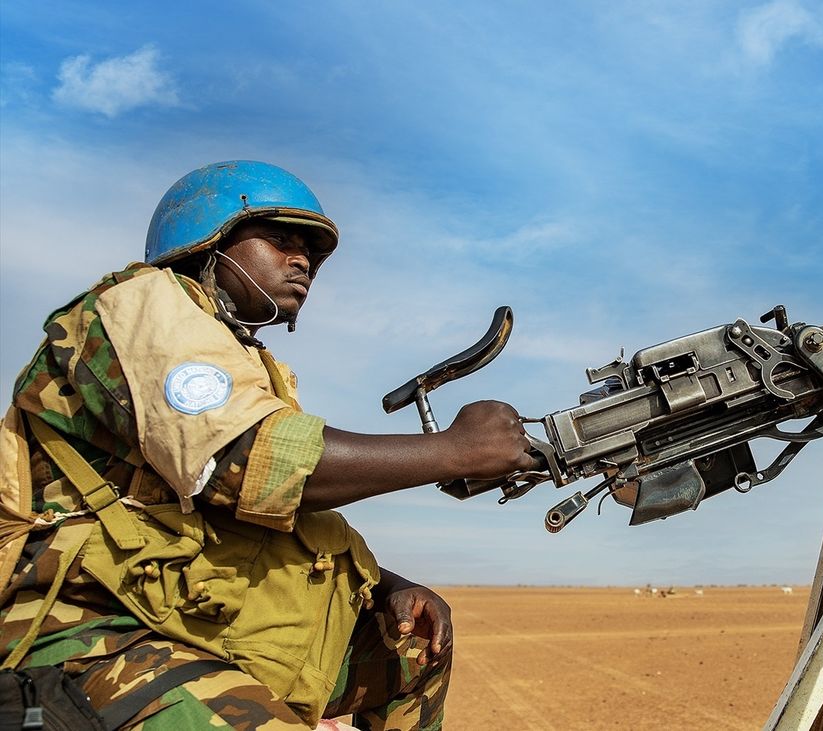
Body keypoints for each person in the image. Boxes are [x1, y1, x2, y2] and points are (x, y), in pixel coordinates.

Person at [0, 160, 535, 730]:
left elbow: (274, 515)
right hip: (83, 625)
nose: (302, 260)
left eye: (310, 250)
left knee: (410, 651)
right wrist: (455, 451)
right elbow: (250, 463)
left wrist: (384, 588)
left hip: (177, 610)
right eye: (280, 240)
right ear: (207, 240)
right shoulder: (142, 305)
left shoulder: (248, 365)